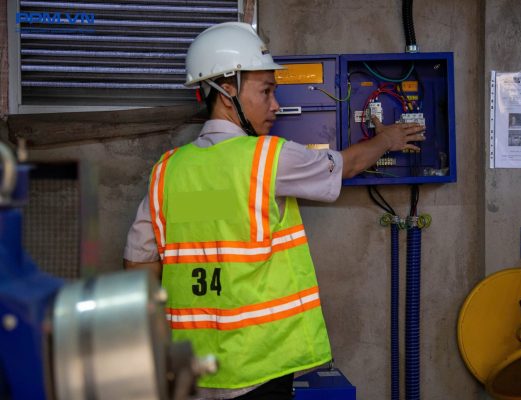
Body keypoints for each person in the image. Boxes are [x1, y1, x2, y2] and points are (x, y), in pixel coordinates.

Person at [124, 22, 425, 400]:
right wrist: (387, 139)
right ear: (227, 91)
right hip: (259, 369)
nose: (276, 105)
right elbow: (345, 166)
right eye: (266, 91)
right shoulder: (268, 158)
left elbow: (138, 264)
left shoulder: (167, 172)